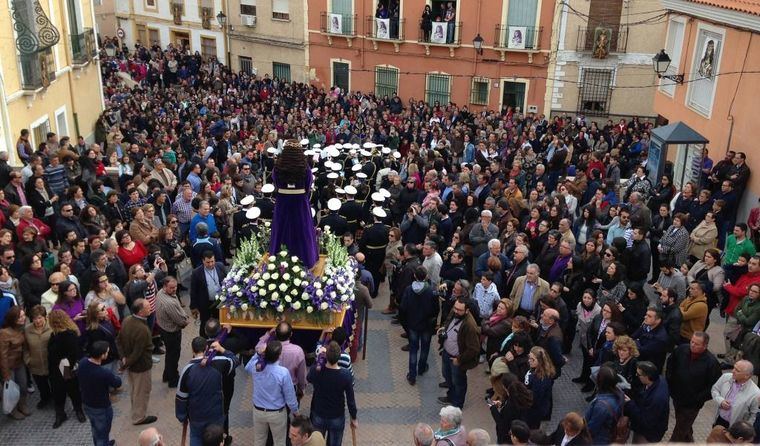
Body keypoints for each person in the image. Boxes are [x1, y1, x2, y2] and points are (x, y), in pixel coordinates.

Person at [176, 336, 238, 446]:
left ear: (192, 350)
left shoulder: (187, 370)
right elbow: (234, 360)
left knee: (196, 438)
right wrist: (221, 349)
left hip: (196, 417)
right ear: (206, 348)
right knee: (216, 441)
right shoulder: (219, 364)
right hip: (215, 415)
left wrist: (182, 416)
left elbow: (181, 397)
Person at [270, 140, 318, 268]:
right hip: (300, 203)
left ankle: (278, 261)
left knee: (281, 230)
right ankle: (306, 259)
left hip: (282, 203)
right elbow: (308, 186)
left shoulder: (277, 167)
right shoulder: (305, 167)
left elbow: (276, 183)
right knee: (302, 231)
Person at [667, 331, 722, 442]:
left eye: (696, 344)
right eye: (692, 341)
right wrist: (670, 383)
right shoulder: (681, 350)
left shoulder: (711, 363)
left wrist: (697, 399)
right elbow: (670, 364)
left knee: (679, 430)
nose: (692, 345)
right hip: (676, 397)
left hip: (692, 404)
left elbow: (714, 387)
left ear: (705, 346)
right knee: (683, 425)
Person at [245, 340, 299, 446]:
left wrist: (258, 354)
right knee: (279, 442)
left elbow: (247, 368)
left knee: (259, 441)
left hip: (258, 411)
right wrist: (295, 411)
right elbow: (290, 396)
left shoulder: (257, 367)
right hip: (277, 414)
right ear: (279, 355)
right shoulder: (283, 372)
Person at [116, 298, 158, 426]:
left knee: (135, 389)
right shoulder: (142, 329)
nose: (150, 307)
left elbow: (119, 341)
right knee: (142, 391)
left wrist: (123, 358)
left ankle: (136, 410)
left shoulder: (127, 320)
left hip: (131, 364)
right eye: (147, 306)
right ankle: (138, 417)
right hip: (141, 366)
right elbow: (138, 352)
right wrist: (125, 364)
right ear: (140, 312)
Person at [308, 341, 358, 446]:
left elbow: (309, 378)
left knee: (316, 443)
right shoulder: (345, 375)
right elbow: (350, 399)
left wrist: (317, 360)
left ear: (326, 355)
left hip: (318, 414)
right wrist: (353, 417)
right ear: (339, 356)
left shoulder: (316, 371)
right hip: (337, 416)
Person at [437, 297, 480, 408]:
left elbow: (473, 349)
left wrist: (459, 359)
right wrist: (443, 328)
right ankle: (450, 396)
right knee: (447, 376)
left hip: (457, 358)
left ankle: (457, 404)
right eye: (455, 308)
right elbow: (448, 321)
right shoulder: (455, 311)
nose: (456, 311)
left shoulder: (470, 326)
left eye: (459, 310)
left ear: (467, 311)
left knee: (458, 381)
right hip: (446, 353)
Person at [399, 266, 439, 385]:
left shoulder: (408, 289)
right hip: (426, 324)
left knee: (413, 349)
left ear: (415, 276)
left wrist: (405, 322)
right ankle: (421, 368)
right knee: (425, 347)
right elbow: (436, 308)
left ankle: (412, 375)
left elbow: (403, 308)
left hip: (412, 324)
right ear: (426, 276)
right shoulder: (431, 290)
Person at [78, 340, 122, 446]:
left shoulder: (83, 362)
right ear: (102, 355)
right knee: (102, 432)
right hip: (101, 407)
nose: (108, 353)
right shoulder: (103, 373)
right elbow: (117, 382)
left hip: (87, 403)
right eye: (107, 352)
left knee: (95, 429)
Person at [48, 309, 85, 428]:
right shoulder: (55, 335)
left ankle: (77, 410)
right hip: (57, 367)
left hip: (65, 366)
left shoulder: (67, 335)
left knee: (71, 389)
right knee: (61, 390)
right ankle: (62, 413)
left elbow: (72, 353)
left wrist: (66, 365)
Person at [156, 276, 189, 387]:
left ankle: (166, 375)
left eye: (175, 287)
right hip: (171, 332)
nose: (174, 289)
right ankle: (173, 380)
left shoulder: (160, 293)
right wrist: (186, 320)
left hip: (163, 328)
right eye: (171, 288)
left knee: (169, 354)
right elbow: (181, 321)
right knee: (173, 356)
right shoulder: (169, 303)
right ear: (165, 287)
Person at [625, 360, 669, 443]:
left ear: (647, 376)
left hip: (648, 434)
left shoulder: (657, 399)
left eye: (638, 374)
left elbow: (646, 421)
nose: (636, 375)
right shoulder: (659, 379)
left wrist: (630, 404)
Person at [0, 306, 29, 420]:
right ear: (13, 319)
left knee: (23, 385)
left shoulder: (22, 328)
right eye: (19, 317)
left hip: (19, 363)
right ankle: (13, 409)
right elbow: (3, 355)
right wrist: (5, 373)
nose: (22, 318)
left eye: (23, 316)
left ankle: (22, 404)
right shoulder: (4, 333)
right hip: (9, 366)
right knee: (10, 389)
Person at [711, 360, 760, 428]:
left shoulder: (755, 393)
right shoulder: (725, 377)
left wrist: (744, 429)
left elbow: (754, 415)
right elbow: (715, 390)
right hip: (719, 420)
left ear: (747, 376)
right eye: (734, 367)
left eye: (737, 370)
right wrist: (721, 401)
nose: (732, 371)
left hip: (735, 428)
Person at [190, 251, 227, 337]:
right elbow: (193, 291)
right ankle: (203, 340)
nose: (210, 264)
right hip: (205, 303)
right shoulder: (196, 273)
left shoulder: (220, 266)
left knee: (220, 320)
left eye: (212, 261)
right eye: (208, 262)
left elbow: (226, 280)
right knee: (205, 322)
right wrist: (193, 307)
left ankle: (220, 337)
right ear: (203, 261)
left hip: (219, 302)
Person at [584, 365, 624, 444]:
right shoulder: (620, 393)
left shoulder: (601, 406)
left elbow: (591, 429)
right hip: (609, 434)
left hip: (599, 440)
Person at [25, 304, 52, 409]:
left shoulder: (51, 326)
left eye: (39, 317)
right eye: (34, 318)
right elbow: (25, 347)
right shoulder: (27, 330)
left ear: (45, 317)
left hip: (50, 362)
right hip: (35, 363)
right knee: (41, 385)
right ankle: (45, 398)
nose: (37, 321)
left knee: (54, 384)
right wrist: (28, 360)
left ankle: (56, 398)